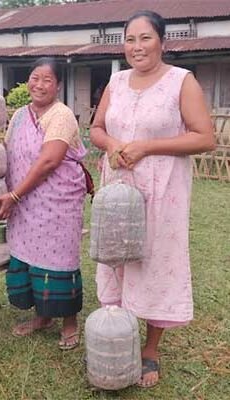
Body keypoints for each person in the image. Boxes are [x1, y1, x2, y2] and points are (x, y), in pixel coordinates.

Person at [90, 11, 215, 388]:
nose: (137, 47)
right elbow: (96, 128)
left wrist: (146, 147)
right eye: (130, 39)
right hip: (117, 191)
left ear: (162, 41)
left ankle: (150, 349)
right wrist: (113, 144)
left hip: (162, 192)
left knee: (155, 261)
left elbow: (204, 138)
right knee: (117, 257)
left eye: (145, 38)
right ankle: (118, 335)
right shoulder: (116, 81)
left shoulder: (182, 81)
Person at [0, 57, 88, 351]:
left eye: (47, 80)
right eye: (35, 78)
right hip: (24, 202)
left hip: (57, 202)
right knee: (30, 256)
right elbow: (8, 150)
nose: (39, 85)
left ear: (58, 85)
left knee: (60, 258)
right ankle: (42, 317)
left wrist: (15, 195)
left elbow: (49, 161)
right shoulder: (20, 115)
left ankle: (69, 324)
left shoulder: (62, 115)